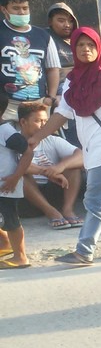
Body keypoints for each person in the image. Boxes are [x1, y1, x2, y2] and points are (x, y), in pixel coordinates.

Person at [30, 27, 101, 267]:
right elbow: (62, 114)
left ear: (98, 47)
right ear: (74, 49)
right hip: (91, 147)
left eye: (90, 45)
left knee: (94, 200)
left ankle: (84, 251)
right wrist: (37, 137)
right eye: (80, 45)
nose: (85, 49)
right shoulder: (73, 80)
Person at [16, 101, 83, 228]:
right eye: (38, 121)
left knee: (73, 166)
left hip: (54, 192)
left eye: (45, 121)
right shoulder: (12, 141)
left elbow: (82, 156)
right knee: (20, 174)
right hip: (26, 199)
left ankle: (68, 210)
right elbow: (15, 166)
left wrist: (60, 167)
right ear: (23, 122)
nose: (44, 125)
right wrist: (47, 172)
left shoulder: (51, 139)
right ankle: (50, 212)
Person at [0, 98, 33, 268]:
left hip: (7, 186)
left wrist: (15, 177)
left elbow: (28, 153)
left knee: (11, 220)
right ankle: (4, 244)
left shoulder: (6, 131)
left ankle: (20, 257)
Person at [46, 2, 76, 72]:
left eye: (71, 21)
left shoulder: (80, 39)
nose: (67, 25)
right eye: (61, 21)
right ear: (50, 21)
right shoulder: (43, 38)